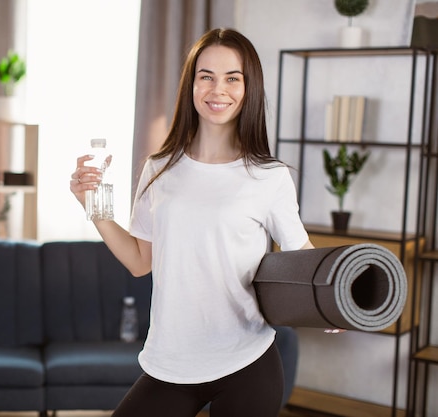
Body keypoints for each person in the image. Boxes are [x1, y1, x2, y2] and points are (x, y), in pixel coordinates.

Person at [69, 28, 314, 417]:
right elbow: (139, 261)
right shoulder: (159, 168)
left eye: (233, 78)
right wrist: (92, 206)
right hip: (170, 361)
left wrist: (331, 300)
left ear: (249, 88)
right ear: (191, 84)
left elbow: (302, 256)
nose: (219, 90)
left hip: (247, 360)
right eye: (207, 76)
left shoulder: (270, 176)